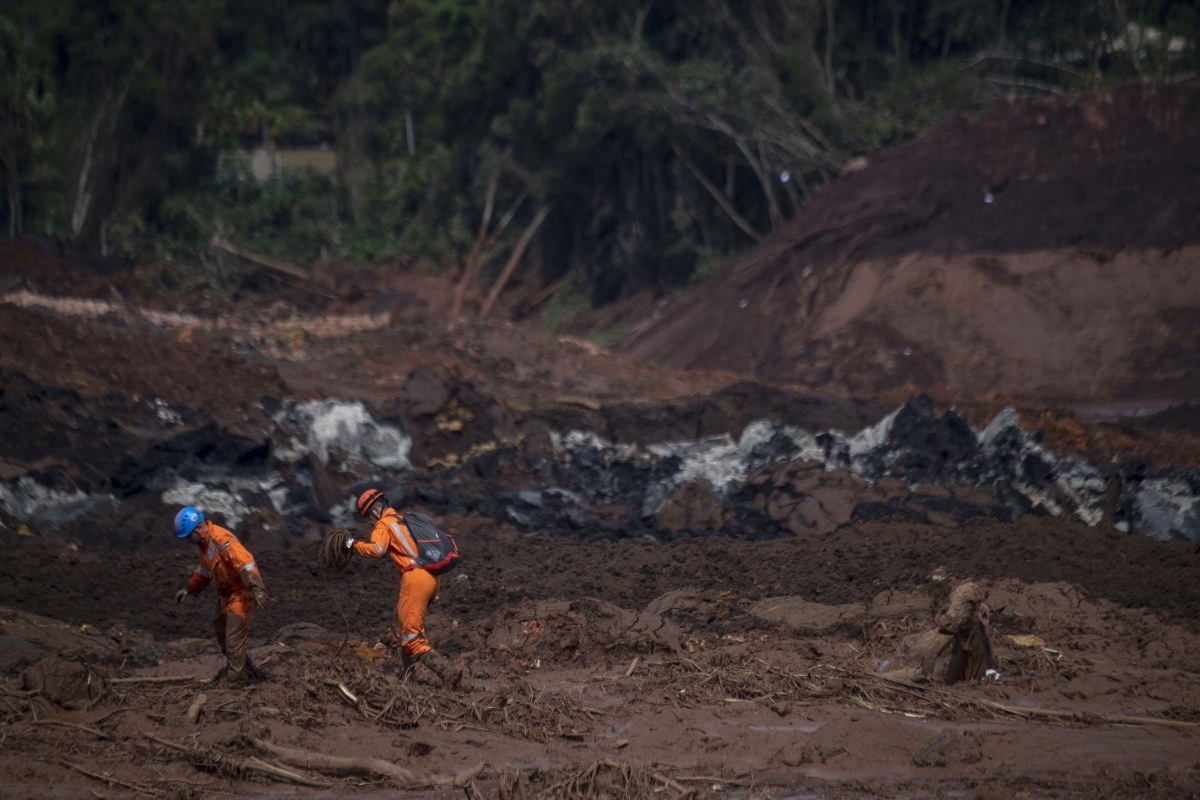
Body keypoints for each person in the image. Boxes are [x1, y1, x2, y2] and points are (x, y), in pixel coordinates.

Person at [346, 488, 463, 688]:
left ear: (374, 511)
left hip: (415, 578)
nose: (370, 522)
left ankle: (448, 673)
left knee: (411, 638)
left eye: (368, 518)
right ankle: (407, 679)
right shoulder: (403, 520)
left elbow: (377, 550)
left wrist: (352, 544)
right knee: (403, 628)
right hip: (431, 578)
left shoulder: (384, 523)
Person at [173, 506, 270, 687]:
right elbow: (204, 571)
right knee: (219, 624)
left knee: (233, 638)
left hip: (241, 592)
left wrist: (257, 588)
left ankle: (237, 680)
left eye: (188, 536)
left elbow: (245, 562)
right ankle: (243, 667)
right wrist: (188, 588)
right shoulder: (203, 545)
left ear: (197, 528)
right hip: (226, 594)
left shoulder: (220, 539)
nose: (187, 541)